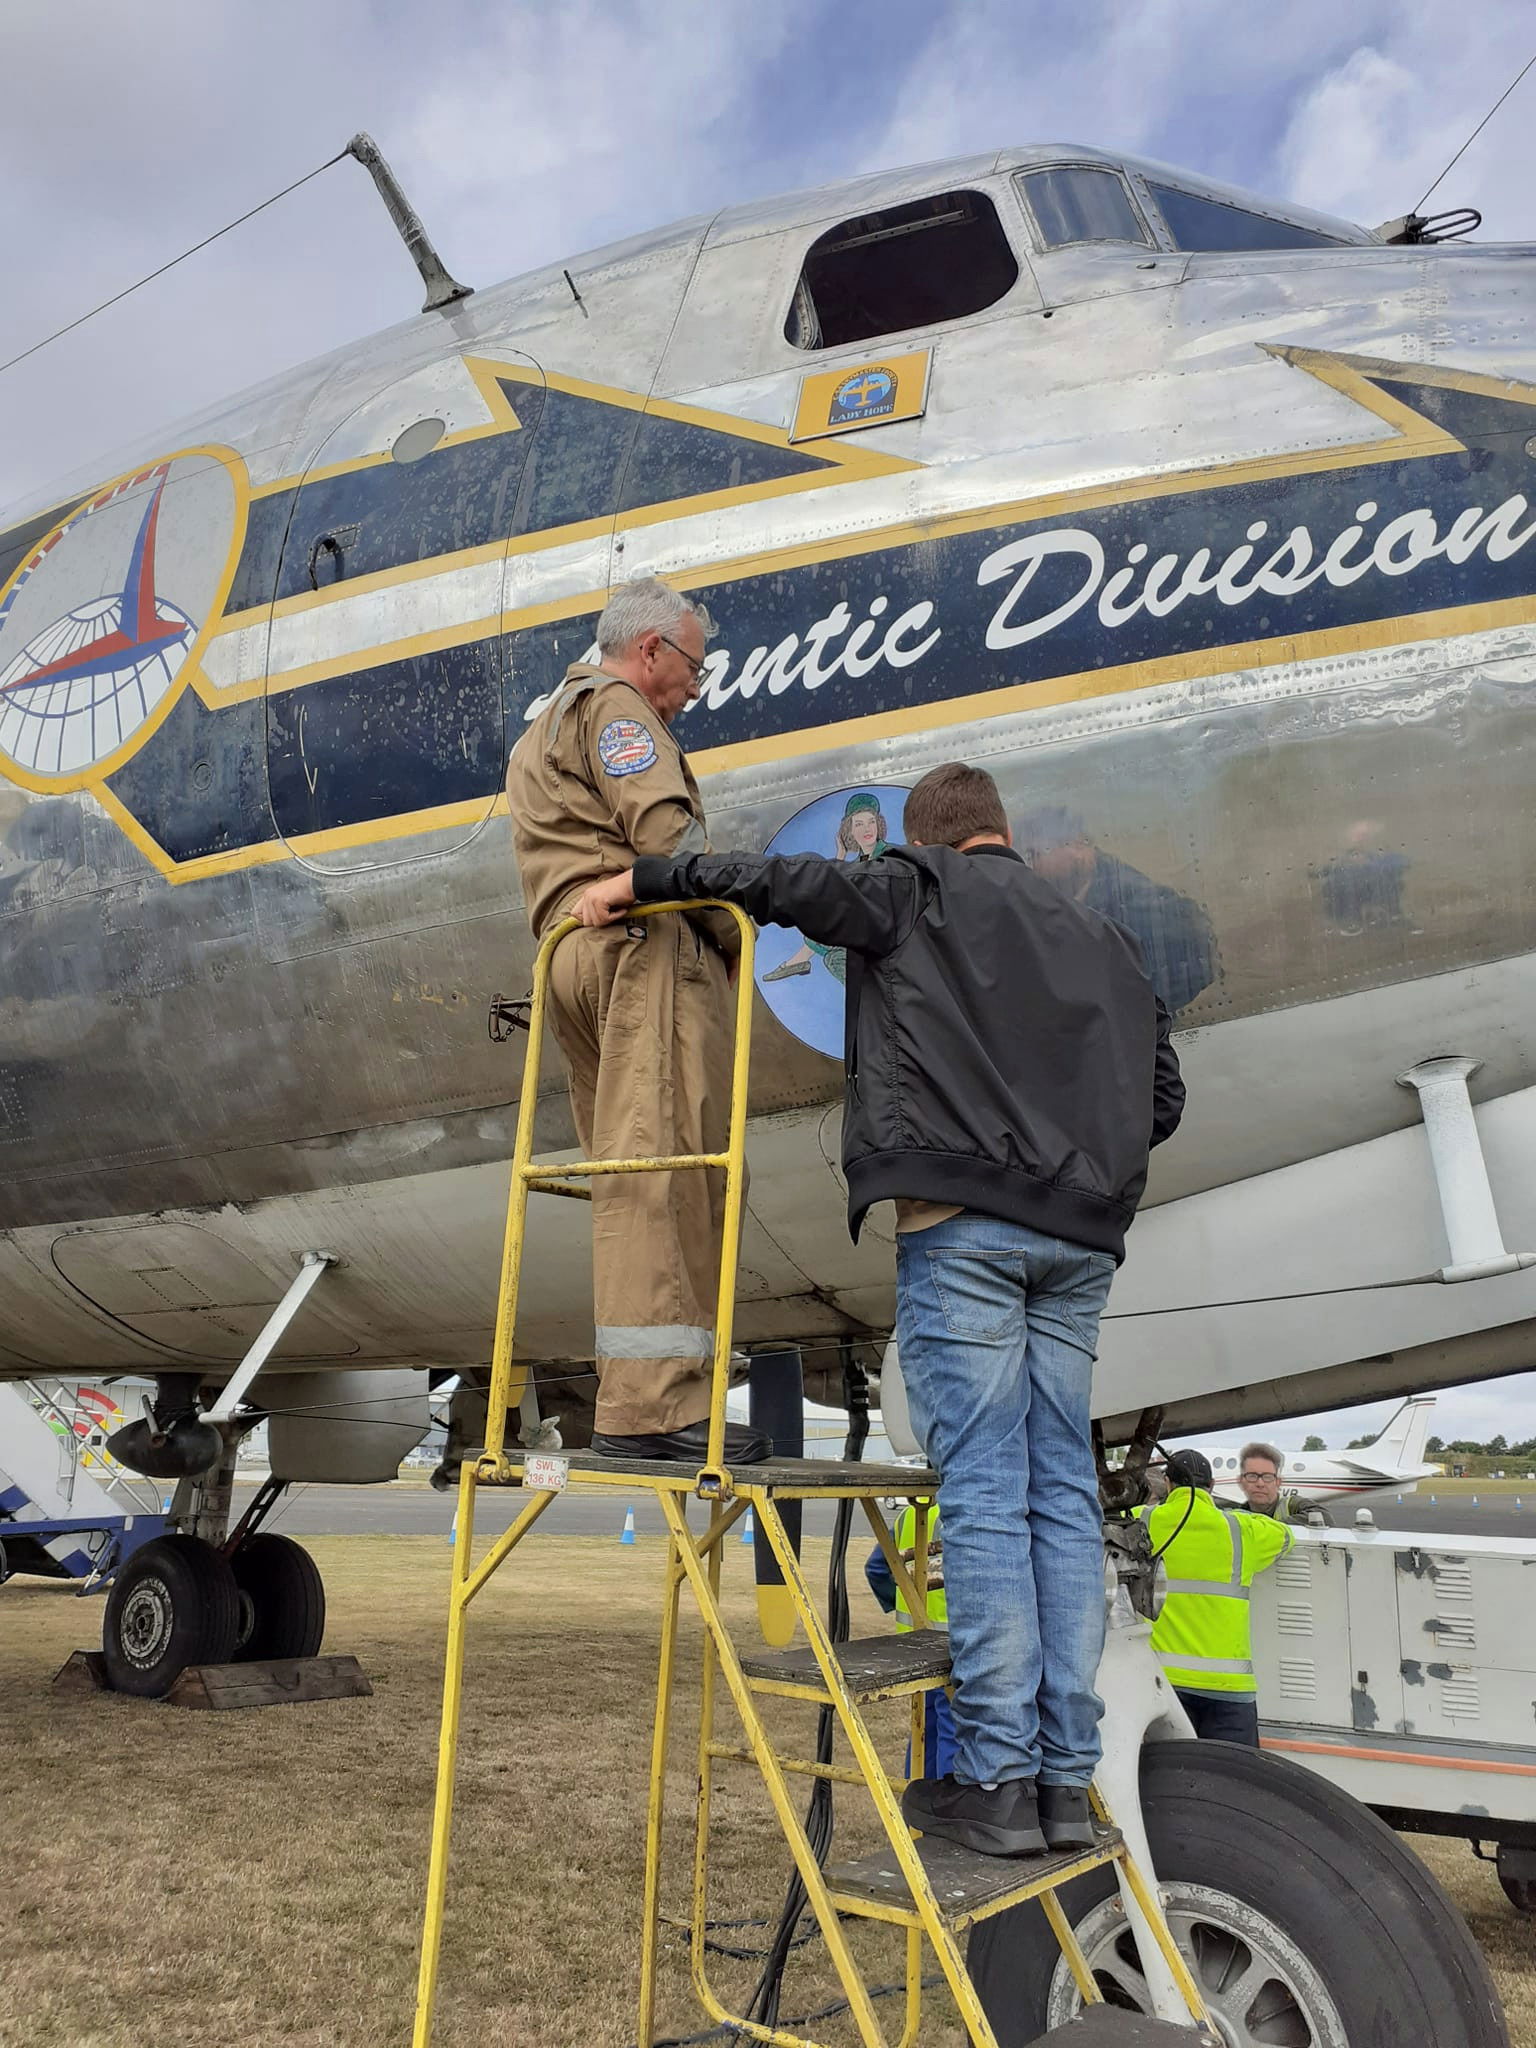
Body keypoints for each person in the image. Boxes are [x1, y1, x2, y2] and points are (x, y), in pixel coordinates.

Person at [576, 761, 1185, 1857]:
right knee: (1056, 1492)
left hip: (963, 1224)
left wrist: (650, 877)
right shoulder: (1107, 941)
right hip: (1084, 1241)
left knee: (988, 1492)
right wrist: (1078, 1157)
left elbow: (777, 882)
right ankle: (1058, 1775)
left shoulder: (915, 886)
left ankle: (996, 1778)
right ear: (1002, 829)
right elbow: (1163, 1095)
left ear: (931, 837)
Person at [504, 577, 767, 1465]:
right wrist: (740, 919)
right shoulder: (616, 709)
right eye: (693, 665)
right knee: (669, 1173)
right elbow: (666, 841)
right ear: (650, 647)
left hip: (571, 959)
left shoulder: (542, 727)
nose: (696, 686)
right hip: (641, 952)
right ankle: (656, 1412)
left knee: (629, 1171)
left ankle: (642, 1402)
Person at [1142, 1450, 1293, 1746]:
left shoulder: (1143, 1521)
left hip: (1163, 1685)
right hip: (1229, 1687)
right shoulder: (1241, 1529)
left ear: (1168, 1483)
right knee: (1232, 1782)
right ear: (1211, 1486)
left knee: (1165, 1782)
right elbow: (1285, 1536)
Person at [1016, 805, 1216, 1016]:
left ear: (1076, 847)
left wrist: (1137, 1020)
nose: (1031, 866)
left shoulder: (1135, 903)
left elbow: (1197, 963)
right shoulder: (1058, 901)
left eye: (1035, 854)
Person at [865, 1501, 958, 1777]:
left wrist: (909, 1603)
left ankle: (915, 1811)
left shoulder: (911, 1514)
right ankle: (949, 1811)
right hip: (955, 1645)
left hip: (916, 1645)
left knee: (924, 1732)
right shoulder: (965, 1509)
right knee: (954, 1733)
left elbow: (877, 1569)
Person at [1235, 1441, 1286, 1518]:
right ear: (1240, 1482)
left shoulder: (1296, 1507)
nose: (1260, 1484)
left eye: (1267, 1477)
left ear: (1278, 1482)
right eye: (1252, 1476)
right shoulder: (1237, 1516)